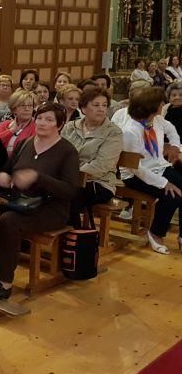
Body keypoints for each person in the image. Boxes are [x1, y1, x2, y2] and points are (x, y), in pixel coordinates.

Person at [0, 103, 79, 300]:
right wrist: (3, 176)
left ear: (59, 125)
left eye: (49, 120)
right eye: (40, 118)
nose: (42, 123)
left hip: (51, 208)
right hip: (22, 203)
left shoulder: (67, 151)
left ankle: (4, 282)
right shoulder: (25, 143)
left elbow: (70, 190)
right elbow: (7, 168)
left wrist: (38, 177)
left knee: (8, 221)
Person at [120, 87, 182, 254]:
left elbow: (172, 130)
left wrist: (175, 146)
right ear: (151, 106)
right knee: (172, 195)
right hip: (135, 175)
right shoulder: (131, 131)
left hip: (158, 167)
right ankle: (155, 233)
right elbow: (135, 168)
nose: (164, 105)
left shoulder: (157, 120)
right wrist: (164, 183)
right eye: (161, 102)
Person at [62, 87, 123, 227]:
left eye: (104, 105)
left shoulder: (113, 132)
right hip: (70, 180)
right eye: (96, 105)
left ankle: (74, 239)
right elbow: (60, 153)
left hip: (99, 182)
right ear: (83, 108)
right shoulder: (70, 127)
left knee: (69, 197)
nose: (101, 109)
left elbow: (102, 164)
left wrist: (71, 176)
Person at [0, 89, 37, 157]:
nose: (27, 109)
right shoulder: (5, 124)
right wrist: (11, 131)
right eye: (23, 105)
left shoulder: (36, 126)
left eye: (30, 105)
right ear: (14, 109)